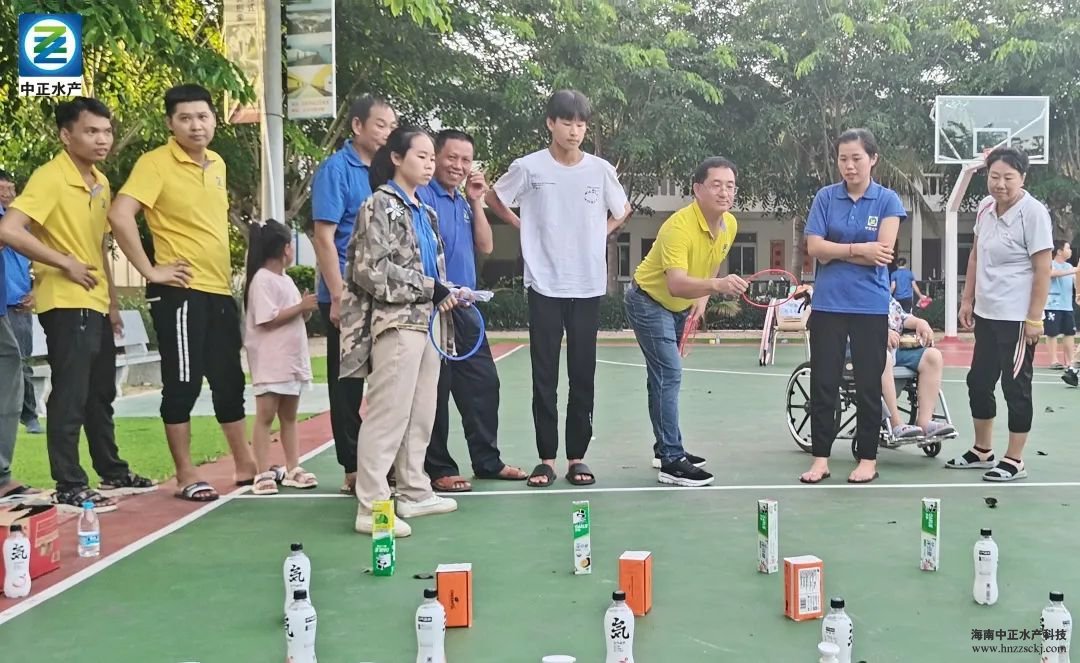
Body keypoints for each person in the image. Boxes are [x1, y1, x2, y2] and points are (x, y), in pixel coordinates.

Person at [0, 98, 156, 510]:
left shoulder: (100, 182)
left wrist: (112, 303)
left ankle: (112, 470)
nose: (102, 139)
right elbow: (9, 229)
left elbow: (99, 246)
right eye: (91, 131)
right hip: (65, 302)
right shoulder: (50, 178)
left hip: (95, 301)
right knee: (71, 393)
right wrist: (63, 262)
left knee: (100, 392)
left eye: (106, 131)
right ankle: (69, 483)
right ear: (66, 135)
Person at [108, 83, 257, 501]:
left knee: (229, 380)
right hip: (180, 293)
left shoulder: (217, 163)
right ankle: (186, 473)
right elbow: (120, 214)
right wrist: (150, 270)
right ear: (170, 123)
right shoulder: (155, 164)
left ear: (214, 119)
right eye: (185, 118)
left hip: (218, 290)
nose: (196, 125)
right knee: (183, 383)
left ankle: (246, 465)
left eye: (203, 117)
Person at [486, 89, 632, 488]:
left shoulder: (600, 170)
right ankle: (546, 459)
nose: (574, 131)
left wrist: (599, 232)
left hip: (587, 284)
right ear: (550, 123)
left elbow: (622, 209)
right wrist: (521, 225)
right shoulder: (529, 167)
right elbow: (495, 197)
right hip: (544, 283)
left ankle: (577, 458)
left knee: (583, 374)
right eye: (566, 122)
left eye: (581, 124)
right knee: (544, 375)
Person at [341, 126, 465, 537]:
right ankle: (373, 507)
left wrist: (447, 292)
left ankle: (414, 490)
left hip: (429, 322)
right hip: (396, 322)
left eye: (432, 157)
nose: (430, 165)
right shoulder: (379, 204)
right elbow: (370, 270)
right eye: (421, 156)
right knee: (388, 413)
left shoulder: (423, 211)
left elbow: (430, 271)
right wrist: (431, 287)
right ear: (396, 157)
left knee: (421, 411)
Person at [624, 157, 749, 487]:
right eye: (716, 185)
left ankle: (665, 448)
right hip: (648, 302)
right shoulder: (678, 227)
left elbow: (712, 262)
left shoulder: (729, 224)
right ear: (697, 189)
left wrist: (703, 297)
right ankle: (671, 461)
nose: (724, 192)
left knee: (661, 378)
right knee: (669, 374)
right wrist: (717, 286)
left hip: (678, 307)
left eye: (730, 186)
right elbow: (677, 283)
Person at [418, 130, 526, 492]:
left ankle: (487, 461)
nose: (459, 166)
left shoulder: (463, 202)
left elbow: (486, 245)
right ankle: (438, 468)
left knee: (483, 382)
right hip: (433, 306)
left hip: (464, 307)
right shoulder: (421, 196)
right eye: (452, 157)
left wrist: (476, 201)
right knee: (436, 389)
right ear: (434, 157)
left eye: (466, 160)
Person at [799, 128, 906, 485]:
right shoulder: (826, 197)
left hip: (870, 306)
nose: (849, 165)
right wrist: (859, 249)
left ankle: (867, 459)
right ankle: (820, 459)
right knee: (824, 382)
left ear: (873, 159)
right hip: (828, 305)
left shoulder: (887, 200)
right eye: (843, 159)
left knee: (868, 385)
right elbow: (815, 248)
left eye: (856, 158)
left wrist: (836, 251)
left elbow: (883, 253)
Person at [310, 95, 397, 495]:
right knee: (347, 386)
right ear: (357, 126)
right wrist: (338, 295)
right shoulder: (336, 170)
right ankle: (352, 466)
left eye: (392, 126)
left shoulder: (389, 171)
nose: (387, 133)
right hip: (347, 294)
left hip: (383, 294)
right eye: (380, 125)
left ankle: (381, 461)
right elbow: (324, 237)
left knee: (387, 380)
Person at [949, 147, 1053, 482]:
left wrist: (1034, 318)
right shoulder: (985, 207)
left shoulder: (1033, 213)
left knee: (1015, 387)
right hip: (987, 314)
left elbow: (1043, 269)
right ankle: (982, 450)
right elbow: (975, 256)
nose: (1000, 184)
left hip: (1017, 318)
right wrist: (967, 299)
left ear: (1023, 177)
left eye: (1008, 177)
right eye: (994, 176)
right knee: (979, 381)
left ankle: (1015, 459)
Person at [243, 220, 319, 495]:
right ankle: (262, 471)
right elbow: (268, 318)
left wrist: (304, 310)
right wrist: (300, 307)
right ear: (285, 248)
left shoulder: (286, 280)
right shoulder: (262, 280)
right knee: (265, 415)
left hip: (290, 360)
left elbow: (294, 315)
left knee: (289, 416)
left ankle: (293, 467)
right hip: (271, 360)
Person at [880, 296, 956, 441]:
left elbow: (902, 317)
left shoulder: (884, 293)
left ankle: (925, 422)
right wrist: (880, 332)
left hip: (895, 348)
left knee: (933, 356)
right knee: (884, 357)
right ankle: (896, 424)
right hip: (866, 348)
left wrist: (921, 322)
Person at [1, 172, 41, 434]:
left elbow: (39, 261)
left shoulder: (23, 224)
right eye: (1, 189)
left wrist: (36, 290)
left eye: (11, 189)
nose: (7, 194)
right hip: (3, 302)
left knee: (20, 361)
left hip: (19, 303)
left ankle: (29, 415)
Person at [1042, 240, 1076, 369]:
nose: (1070, 251)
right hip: (1053, 305)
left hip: (1067, 306)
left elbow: (1075, 281)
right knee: (1052, 333)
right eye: (1068, 248)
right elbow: (1051, 274)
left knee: (1069, 333)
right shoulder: (1051, 264)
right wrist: (1073, 271)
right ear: (1060, 251)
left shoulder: (1069, 266)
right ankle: (1054, 361)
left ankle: (1071, 361)